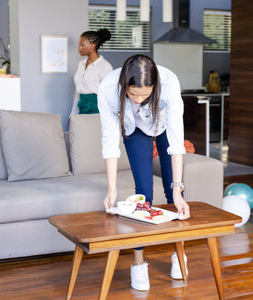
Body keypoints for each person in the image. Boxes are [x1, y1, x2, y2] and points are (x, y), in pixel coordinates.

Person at [97, 54, 190, 291]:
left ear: (155, 86)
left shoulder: (169, 83)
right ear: (123, 86)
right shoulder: (108, 88)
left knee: (174, 196)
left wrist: (178, 189)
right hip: (135, 129)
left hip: (165, 127)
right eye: (133, 94)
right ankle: (139, 263)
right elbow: (109, 141)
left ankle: (179, 255)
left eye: (145, 94)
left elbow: (177, 140)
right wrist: (112, 187)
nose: (138, 100)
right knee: (143, 195)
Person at [70, 28, 113, 116]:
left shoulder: (105, 66)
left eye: (82, 45)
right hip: (82, 109)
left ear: (92, 46)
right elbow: (78, 93)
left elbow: (110, 96)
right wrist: (73, 114)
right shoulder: (81, 64)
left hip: (97, 111)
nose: (79, 48)